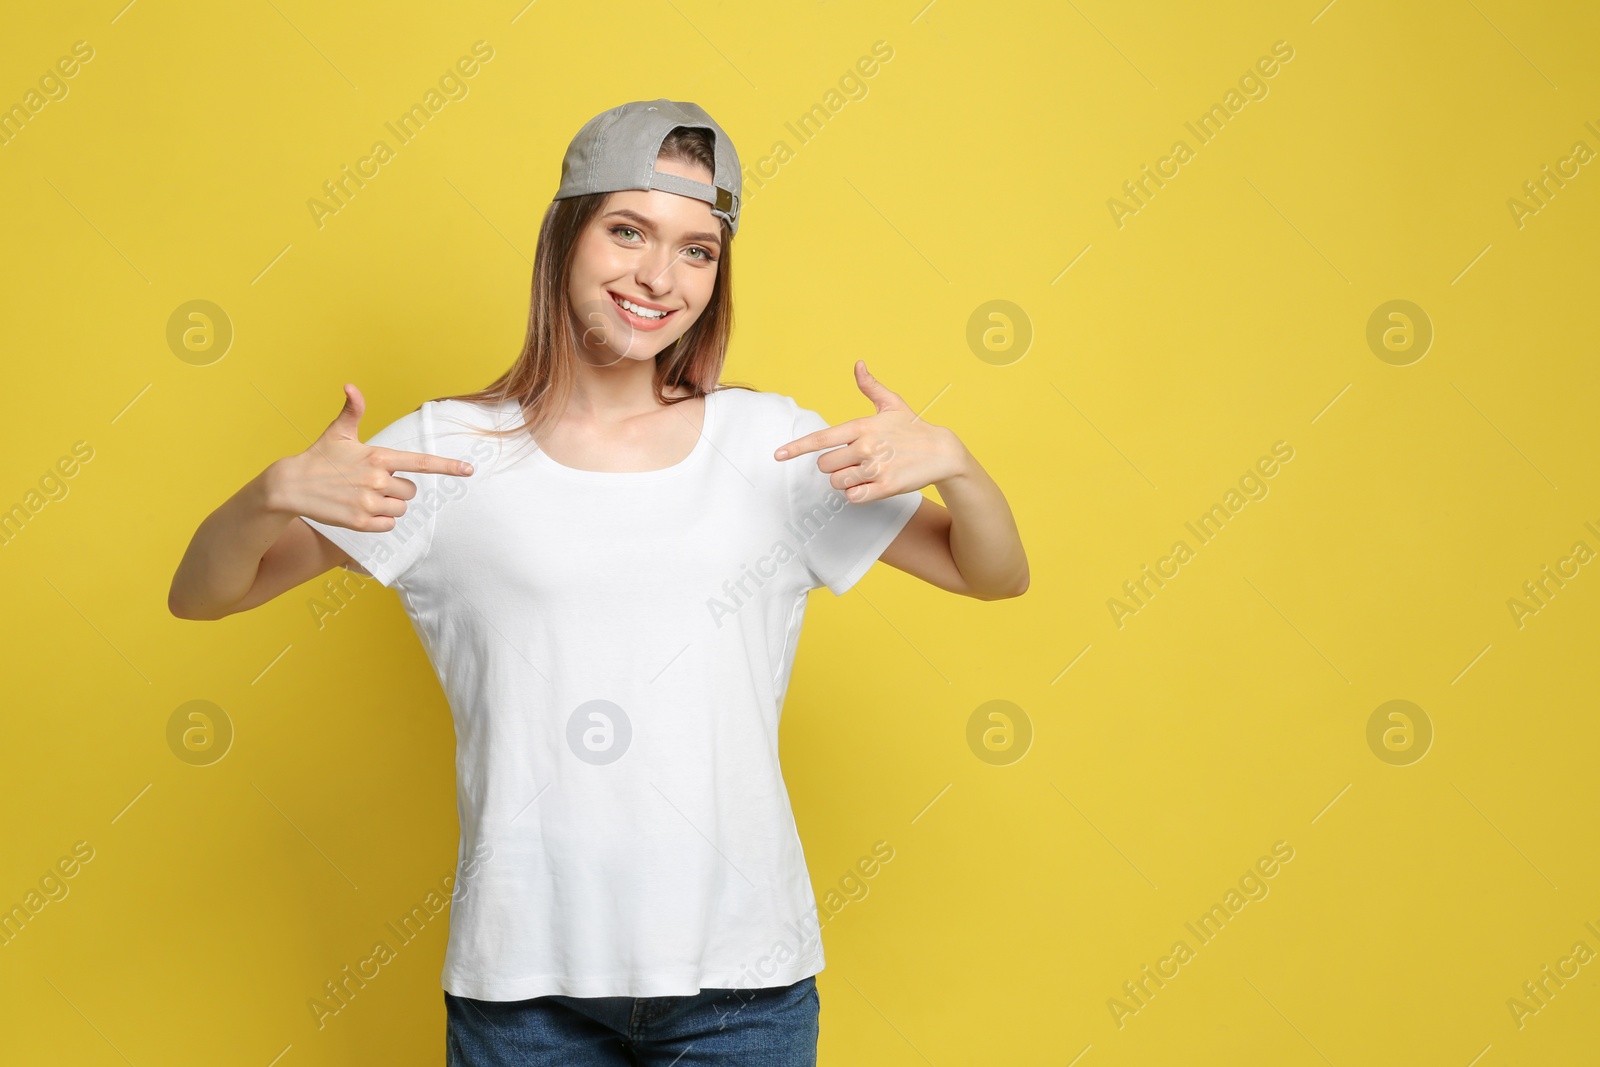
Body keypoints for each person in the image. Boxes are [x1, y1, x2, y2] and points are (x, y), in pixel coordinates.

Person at [168, 99, 1028, 1066]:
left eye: (698, 250)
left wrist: (958, 462)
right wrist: (271, 492)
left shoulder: (772, 444)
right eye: (629, 231)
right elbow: (207, 592)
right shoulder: (447, 452)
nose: (660, 277)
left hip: (743, 984)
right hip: (523, 991)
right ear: (564, 238)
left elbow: (987, 572)